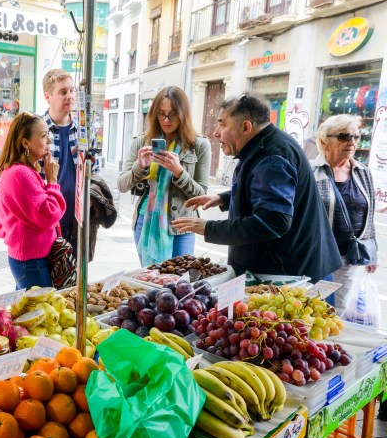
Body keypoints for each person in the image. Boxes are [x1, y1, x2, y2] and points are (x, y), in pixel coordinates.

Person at [173, 93, 342, 282]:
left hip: (292, 276)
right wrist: (225, 198)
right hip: (291, 268)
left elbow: (273, 221)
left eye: (222, 124)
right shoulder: (268, 144)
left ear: (246, 126)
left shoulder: (272, 157)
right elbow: (265, 190)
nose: (216, 133)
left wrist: (209, 228)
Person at [117, 86, 211, 266]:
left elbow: (202, 196)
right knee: (151, 279)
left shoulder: (199, 145)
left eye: (172, 114)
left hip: (181, 226)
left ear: (183, 115)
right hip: (146, 222)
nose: (166, 120)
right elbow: (122, 185)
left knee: (179, 282)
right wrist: (140, 166)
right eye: (161, 114)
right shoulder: (142, 141)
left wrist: (179, 172)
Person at [0, 112, 66, 289]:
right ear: (25, 143)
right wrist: (52, 181)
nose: (49, 141)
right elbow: (48, 215)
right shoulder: (20, 173)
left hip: (31, 258)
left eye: (48, 134)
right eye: (43, 136)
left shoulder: (21, 171)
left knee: (30, 310)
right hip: (32, 261)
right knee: (40, 312)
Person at [311, 114, 378, 312]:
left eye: (355, 137)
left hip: (349, 257)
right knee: (312, 307)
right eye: (343, 136)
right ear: (324, 142)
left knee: (335, 311)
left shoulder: (362, 171)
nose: (351, 142)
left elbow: (370, 214)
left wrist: (373, 253)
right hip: (318, 256)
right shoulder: (310, 171)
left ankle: (330, 343)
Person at [42, 69, 99, 250]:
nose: (70, 96)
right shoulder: (37, 130)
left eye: (72, 91)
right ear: (47, 96)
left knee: (76, 275)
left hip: (79, 220)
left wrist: (91, 196)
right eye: (63, 92)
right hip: (48, 219)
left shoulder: (85, 131)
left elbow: (95, 171)